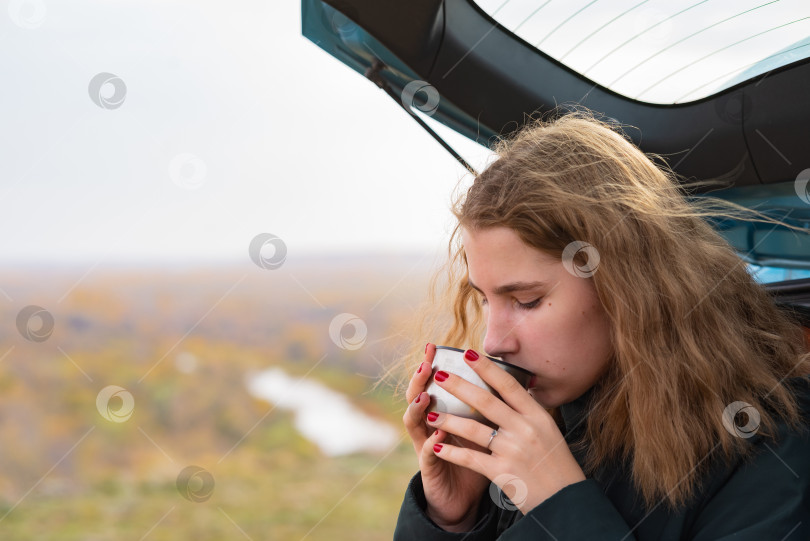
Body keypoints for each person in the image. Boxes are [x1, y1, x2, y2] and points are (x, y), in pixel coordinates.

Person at [392, 110, 810, 539]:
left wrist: (558, 504)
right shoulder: (543, 427)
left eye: (526, 301)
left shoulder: (768, 446)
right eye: (483, 299)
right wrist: (452, 519)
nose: (492, 342)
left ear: (627, 286)